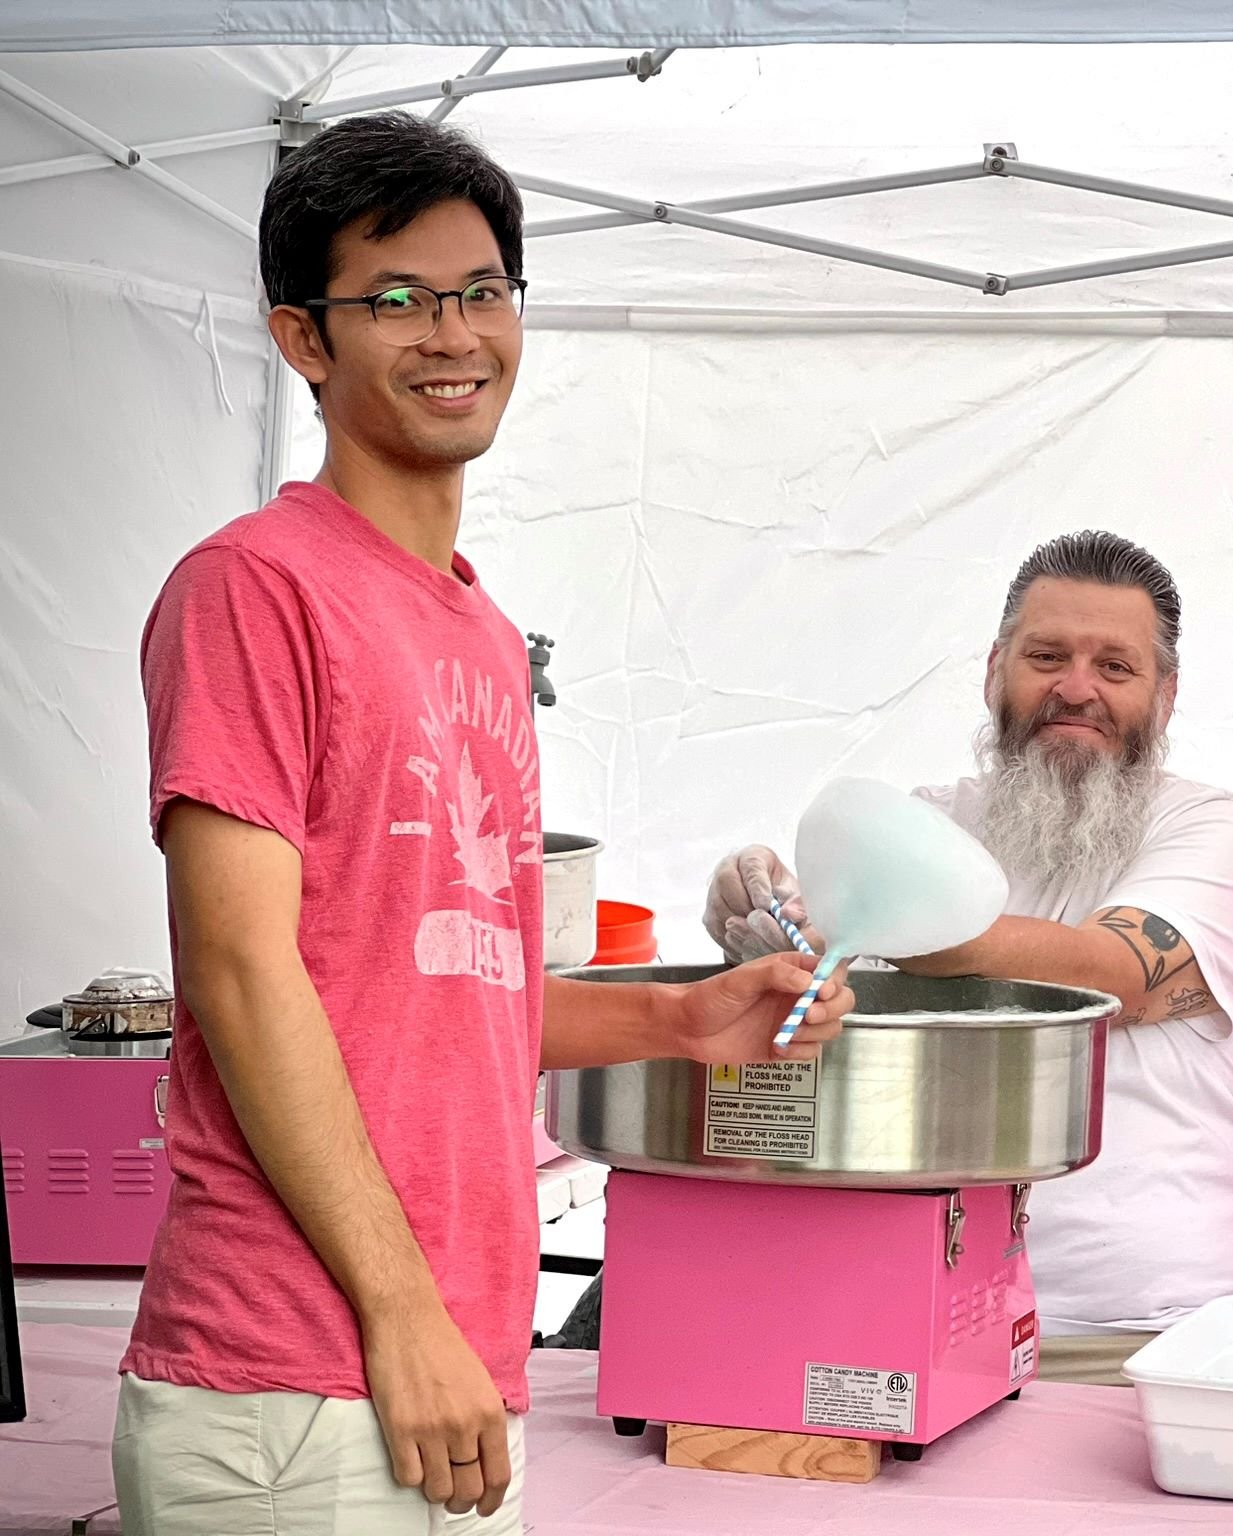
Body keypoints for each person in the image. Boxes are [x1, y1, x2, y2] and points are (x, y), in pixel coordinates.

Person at [113, 112, 850, 1536]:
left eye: (483, 291)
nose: (453, 332)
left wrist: (685, 1023)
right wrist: (401, 1317)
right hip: (301, 1379)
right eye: (395, 299)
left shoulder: (480, 628)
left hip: (447, 1363)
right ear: (302, 340)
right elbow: (245, 972)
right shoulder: (254, 590)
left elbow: (456, 981)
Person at [705, 531, 1233, 1386]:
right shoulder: (931, 821)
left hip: (1141, 1335)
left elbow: (1108, 975)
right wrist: (756, 913)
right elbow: (817, 994)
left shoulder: (1210, 828)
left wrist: (871, 927)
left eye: (1114, 667)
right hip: (916, 1309)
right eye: (1046, 656)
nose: (1075, 689)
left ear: (1165, 697)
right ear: (993, 670)